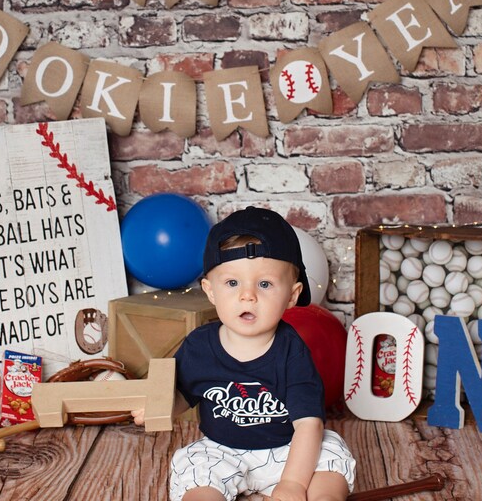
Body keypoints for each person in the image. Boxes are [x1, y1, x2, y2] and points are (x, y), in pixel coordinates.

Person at [132, 206, 356, 501]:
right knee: (197, 472)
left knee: (329, 458)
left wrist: (293, 484)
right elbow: (182, 394)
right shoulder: (199, 346)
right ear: (211, 292)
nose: (247, 295)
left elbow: (308, 424)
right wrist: (160, 406)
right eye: (232, 283)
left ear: (291, 295)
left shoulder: (291, 349)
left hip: (288, 452)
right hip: (221, 450)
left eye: (264, 284)